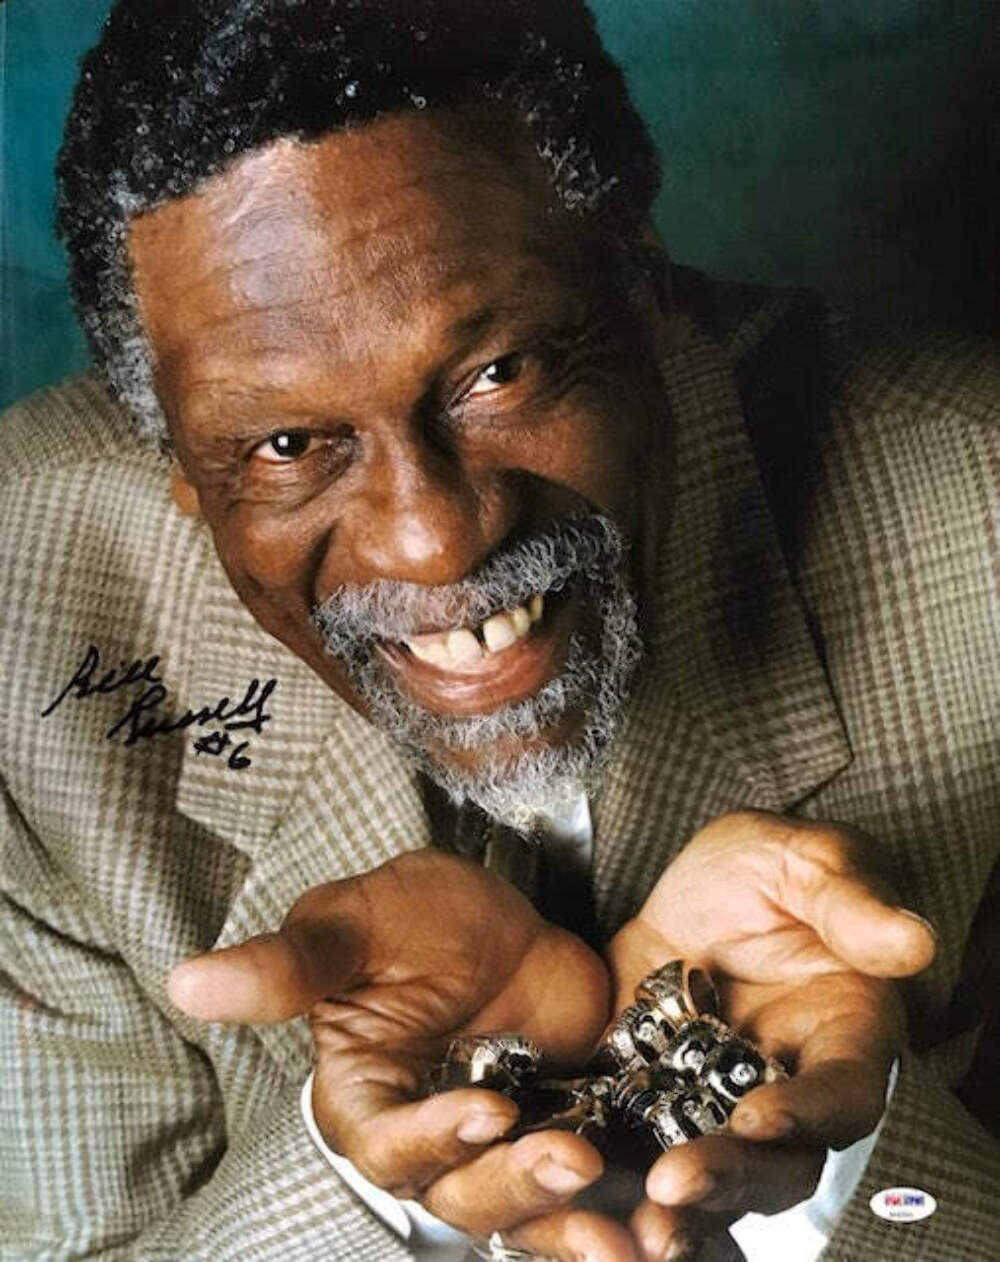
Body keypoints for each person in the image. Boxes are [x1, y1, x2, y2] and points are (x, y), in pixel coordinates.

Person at [1, 1, 997, 1259]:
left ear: (638, 283)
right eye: (289, 444)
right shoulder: (23, 626)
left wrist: (827, 1167)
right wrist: (375, 1188)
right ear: (180, 468)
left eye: (498, 371)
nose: (433, 543)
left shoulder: (979, 526)